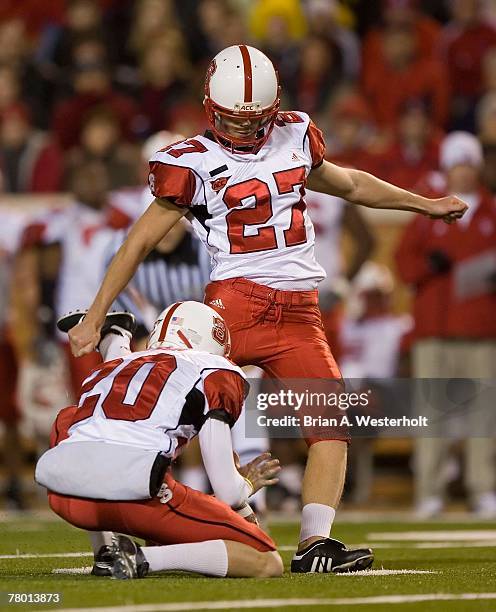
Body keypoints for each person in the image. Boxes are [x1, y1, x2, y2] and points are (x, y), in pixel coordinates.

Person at [68, 45, 467, 573]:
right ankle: (118, 527)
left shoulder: (296, 133)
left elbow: (349, 184)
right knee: (165, 414)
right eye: (235, 120)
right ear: (212, 107)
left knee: (330, 426)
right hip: (232, 304)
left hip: (300, 311)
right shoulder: (191, 161)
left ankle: (314, 542)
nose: (245, 131)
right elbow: (138, 243)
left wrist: (424, 203)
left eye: (254, 120)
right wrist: (96, 313)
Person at [36, 302, 285, 579]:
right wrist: (245, 485)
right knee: (266, 560)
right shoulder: (215, 370)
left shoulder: (117, 365)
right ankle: (142, 559)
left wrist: (114, 341)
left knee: (71, 418)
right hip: (135, 493)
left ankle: (105, 552)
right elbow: (228, 492)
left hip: (65, 494)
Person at [395, 131, 496, 518]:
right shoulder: (427, 213)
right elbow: (404, 265)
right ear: (447, 168)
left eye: (470, 164)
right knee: (432, 415)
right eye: (458, 164)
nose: (464, 172)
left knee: (484, 416)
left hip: (481, 329)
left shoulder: (490, 211)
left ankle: (482, 488)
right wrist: (427, 266)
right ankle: (430, 491)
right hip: (434, 330)